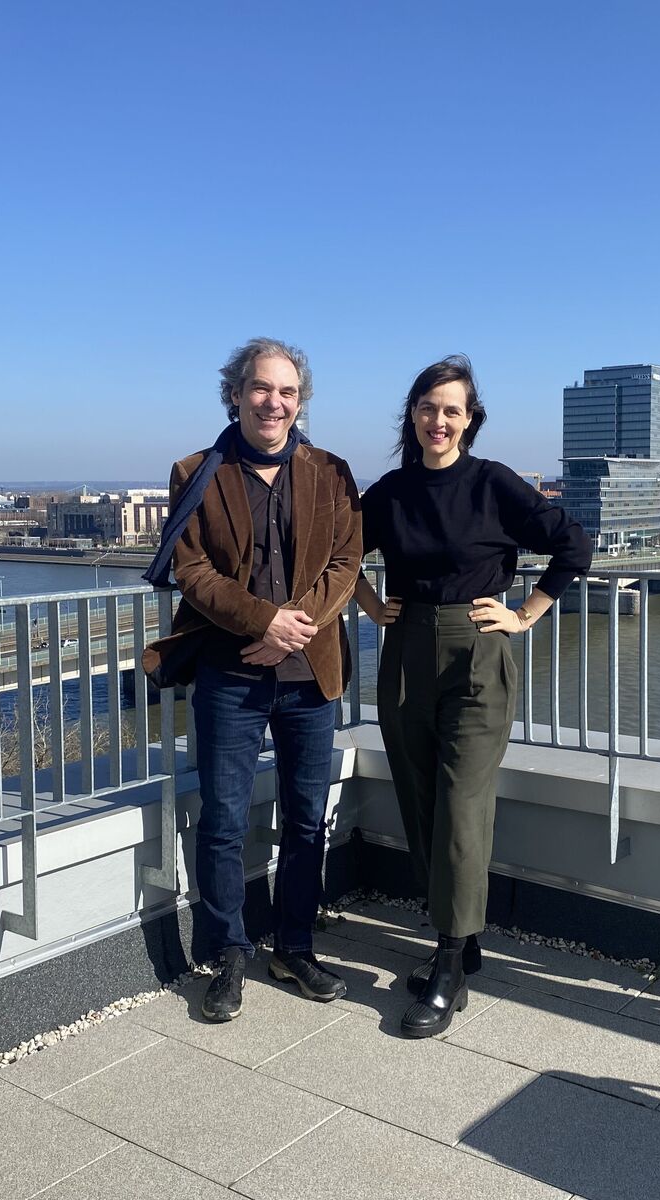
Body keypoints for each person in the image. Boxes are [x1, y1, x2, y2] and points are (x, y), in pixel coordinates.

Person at [353, 355, 591, 1037]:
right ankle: (465, 941)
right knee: (421, 802)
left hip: (477, 655)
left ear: (470, 419)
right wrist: (370, 603)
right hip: (405, 654)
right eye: (428, 406)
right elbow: (339, 555)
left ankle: (451, 964)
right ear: (413, 415)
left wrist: (526, 613)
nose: (438, 419)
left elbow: (574, 546)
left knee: (460, 807)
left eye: (452, 409)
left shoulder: (493, 485)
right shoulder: (391, 492)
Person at [142, 337, 362, 1022]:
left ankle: (294, 945)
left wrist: (295, 628)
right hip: (230, 673)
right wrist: (263, 624)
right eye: (262, 389)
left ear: (301, 401)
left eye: (288, 392)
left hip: (309, 674)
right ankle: (227, 952)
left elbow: (347, 560)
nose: (275, 402)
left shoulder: (330, 470)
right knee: (225, 820)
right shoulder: (196, 472)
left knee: (305, 819)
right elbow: (195, 571)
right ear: (235, 394)